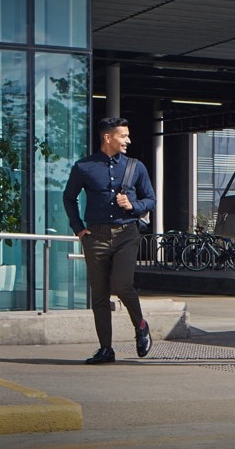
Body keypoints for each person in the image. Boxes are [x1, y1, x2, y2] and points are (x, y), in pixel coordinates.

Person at [63, 117, 155, 365]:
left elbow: (151, 200)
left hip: (127, 234)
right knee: (100, 295)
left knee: (122, 285)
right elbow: (69, 198)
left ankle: (141, 326)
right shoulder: (84, 167)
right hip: (95, 236)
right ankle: (106, 349)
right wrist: (79, 229)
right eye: (123, 136)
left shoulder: (136, 167)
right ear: (108, 137)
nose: (128, 140)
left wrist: (133, 205)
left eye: (127, 135)